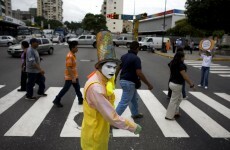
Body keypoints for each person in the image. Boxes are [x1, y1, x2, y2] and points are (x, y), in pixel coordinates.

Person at [81, 31, 142, 150]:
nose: (113, 71)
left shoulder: (103, 78)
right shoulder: (96, 87)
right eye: (109, 67)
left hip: (99, 129)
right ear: (99, 66)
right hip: (95, 137)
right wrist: (132, 127)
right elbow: (111, 116)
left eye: (114, 67)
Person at [115, 41, 153, 119]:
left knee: (134, 99)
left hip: (124, 81)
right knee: (124, 102)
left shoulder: (124, 56)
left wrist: (114, 78)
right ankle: (114, 120)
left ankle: (135, 113)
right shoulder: (136, 58)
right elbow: (139, 73)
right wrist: (148, 84)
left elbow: (118, 68)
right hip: (129, 83)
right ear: (137, 48)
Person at [165, 51, 195, 120]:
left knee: (180, 97)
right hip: (177, 85)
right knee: (173, 101)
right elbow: (185, 76)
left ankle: (176, 112)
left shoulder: (172, 62)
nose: (184, 58)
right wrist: (191, 84)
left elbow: (170, 71)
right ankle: (169, 116)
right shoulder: (181, 65)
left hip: (171, 83)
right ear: (181, 57)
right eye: (184, 56)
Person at [53, 41, 83, 107]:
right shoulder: (70, 56)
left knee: (77, 88)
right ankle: (56, 100)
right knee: (65, 89)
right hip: (70, 77)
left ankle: (80, 100)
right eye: (76, 47)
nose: (77, 49)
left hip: (74, 76)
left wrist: (74, 77)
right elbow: (68, 67)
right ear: (72, 48)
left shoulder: (73, 55)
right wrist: (73, 77)